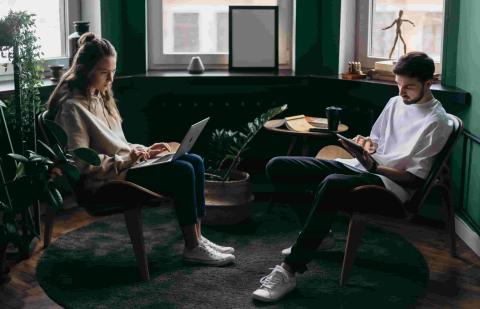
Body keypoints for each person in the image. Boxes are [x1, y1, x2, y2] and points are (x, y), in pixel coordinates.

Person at [252, 51, 453, 302]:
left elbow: (414, 180)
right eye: (398, 85)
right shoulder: (395, 102)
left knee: (332, 184)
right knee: (278, 166)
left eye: (409, 87)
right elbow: (377, 140)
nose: (401, 93)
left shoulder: (438, 122)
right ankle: (320, 236)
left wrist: (374, 168)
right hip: (364, 167)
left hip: (389, 186)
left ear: (429, 82)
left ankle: (289, 269)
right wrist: (364, 144)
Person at [46, 32, 235, 266]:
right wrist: (128, 159)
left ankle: (198, 238)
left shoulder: (99, 97)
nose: (111, 79)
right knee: (183, 171)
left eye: (113, 71)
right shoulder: (72, 109)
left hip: (126, 168)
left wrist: (144, 150)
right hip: (109, 181)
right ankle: (192, 247)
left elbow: (118, 145)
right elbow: (82, 165)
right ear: (85, 70)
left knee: (194, 160)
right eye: (105, 73)